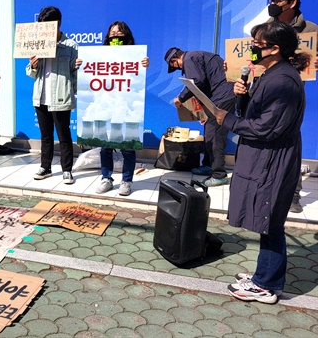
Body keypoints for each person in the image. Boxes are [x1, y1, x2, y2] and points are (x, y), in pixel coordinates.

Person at [215, 21, 307, 304]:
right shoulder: (272, 74)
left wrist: (227, 119)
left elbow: (267, 128)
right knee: (268, 222)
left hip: (274, 160)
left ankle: (266, 286)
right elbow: (256, 116)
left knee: (271, 222)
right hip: (267, 157)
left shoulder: (283, 81)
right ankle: (262, 277)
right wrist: (242, 97)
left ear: (275, 48)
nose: (252, 47)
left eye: (257, 43)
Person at [264, 0, 317, 213]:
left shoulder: (311, 30)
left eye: (277, 0)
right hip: (266, 91)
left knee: (291, 141)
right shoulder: (265, 27)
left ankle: (293, 193)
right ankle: (265, 188)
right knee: (264, 139)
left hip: (293, 95)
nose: (272, 5)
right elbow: (253, 55)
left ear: (292, 3)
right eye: (271, 0)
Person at [165, 47, 235, 187]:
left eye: (175, 66)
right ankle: (208, 165)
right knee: (210, 132)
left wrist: (181, 98)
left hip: (223, 96)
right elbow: (203, 84)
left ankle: (219, 174)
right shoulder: (196, 56)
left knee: (215, 135)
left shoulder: (189, 58)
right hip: (220, 96)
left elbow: (197, 81)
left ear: (174, 60)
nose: (178, 68)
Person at [95, 21, 149, 196]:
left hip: (127, 104)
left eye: (119, 33)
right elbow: (91, 73)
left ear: (126, 35)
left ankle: (126, 181)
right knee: (105, 145)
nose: (115, 36)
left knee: (127, 145)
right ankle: (106, 178)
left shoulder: (135, 56)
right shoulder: (100, 55)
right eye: (112, 33)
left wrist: (143, 64)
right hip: (106, 103)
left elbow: (137, 78)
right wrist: (82, 64)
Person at [27, 6, 80, 185]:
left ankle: (67, 170)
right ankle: (45, 167)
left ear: (57, 23)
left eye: (48, 24)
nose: (44, 29)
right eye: (42, 25)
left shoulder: (70, 45)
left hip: (61, 97)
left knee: (64, 136)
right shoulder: (38, 43)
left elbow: (75, 74)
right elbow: (31, 73)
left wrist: (73, 90)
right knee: (45, 136)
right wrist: (33, 65)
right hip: (41, 96)